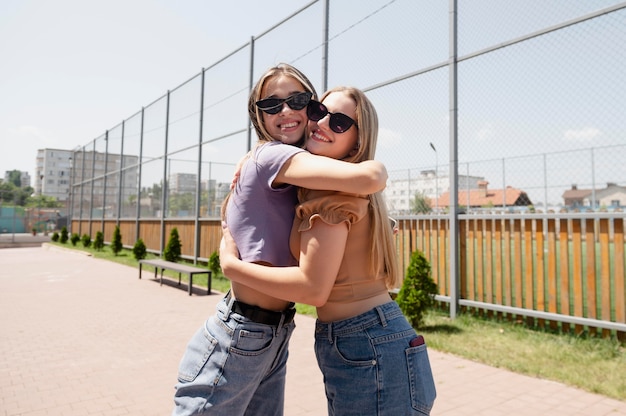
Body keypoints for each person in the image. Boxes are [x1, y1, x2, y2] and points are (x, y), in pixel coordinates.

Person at [172, 64, 388, 415]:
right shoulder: (276, 156)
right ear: (258, 116)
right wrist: (230, 266)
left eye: (298, 101)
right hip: (241, 333)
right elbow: (369, 177)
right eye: (271, 106)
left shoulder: (293, 170)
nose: (286, 111)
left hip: (269, 334)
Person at [220, 86, 437, 415]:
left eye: (338, 122)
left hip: (368, 342)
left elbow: (313, 288)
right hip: (373, 339)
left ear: (358, 140)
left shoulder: (332, 197)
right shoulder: (328, 187)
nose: (322, 123)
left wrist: (231, 266)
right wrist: (254, 157)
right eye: (319, 111)